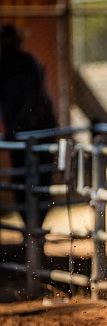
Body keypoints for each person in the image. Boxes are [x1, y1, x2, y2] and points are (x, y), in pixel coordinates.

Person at [0, 24, 57, 225]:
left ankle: (36, 228)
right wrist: (13, 127)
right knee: (21, 179)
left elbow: (33, 101)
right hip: (20, 132)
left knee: (40, 178)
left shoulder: (28, 64)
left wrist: (15, 127)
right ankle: (30, 229)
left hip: (38, 129)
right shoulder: (7, 66)